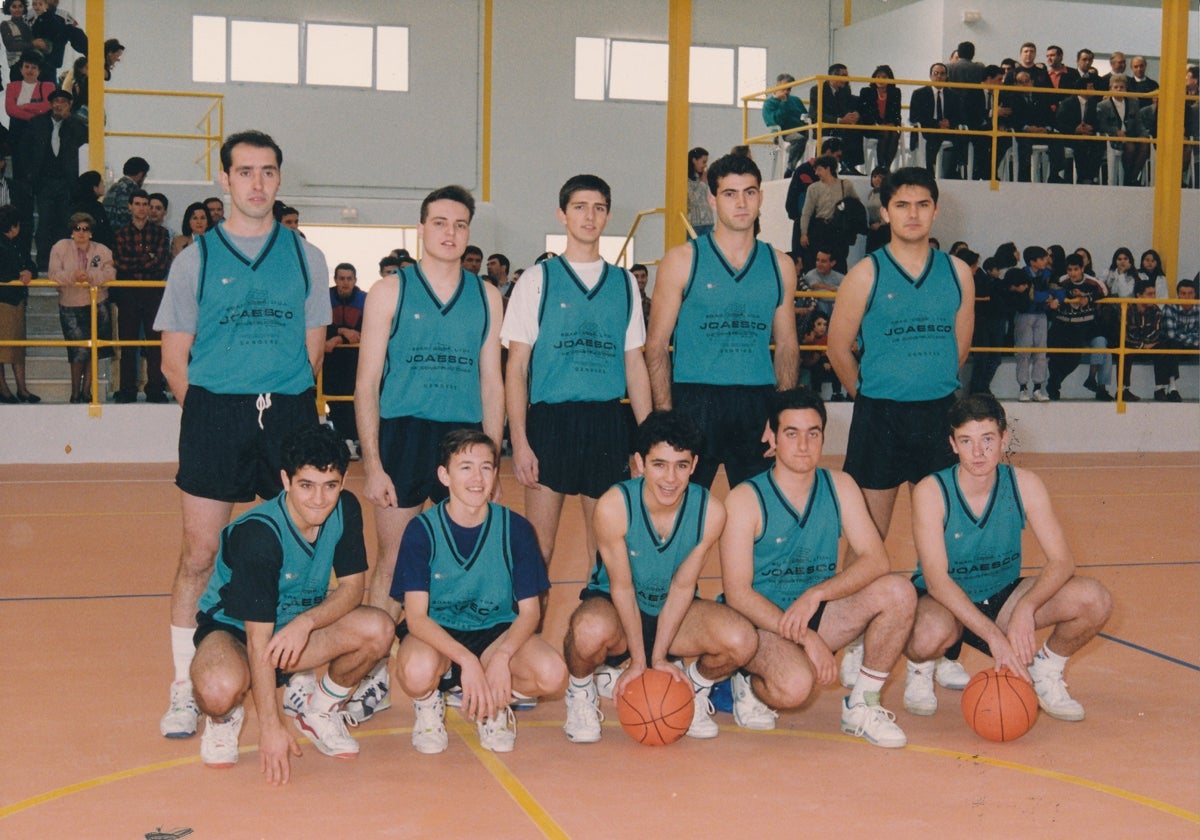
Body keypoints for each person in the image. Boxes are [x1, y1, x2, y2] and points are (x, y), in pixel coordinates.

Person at [152, 130, 332, 740]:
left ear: (280, 180)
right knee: (199, 554)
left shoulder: (307, 257)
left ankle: (295, 683)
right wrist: (211, 415)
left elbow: (312, 354)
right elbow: (174, 360)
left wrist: (281, 408)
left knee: (296, 556)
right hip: (215, 414)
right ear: (224, 181)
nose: (257, 184)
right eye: (245, 172)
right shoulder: (194, 260)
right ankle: (183, 685)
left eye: (268, 172)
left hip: (287, 412)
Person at [351, 184, 504, 723]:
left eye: (460, 225)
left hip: (462, 439)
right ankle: (367, 675)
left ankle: (455, 673)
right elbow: (366, 383)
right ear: (422, 228)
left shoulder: (486, 296)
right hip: (402, 434)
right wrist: (372, 463)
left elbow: (492, 382)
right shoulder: (389, 291)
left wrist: (492, 458)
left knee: (462, 561)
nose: (450, 233)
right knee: (393, 561)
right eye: (440, 223)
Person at [189, 424, 394, 778]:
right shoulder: (259, 535)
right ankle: (225, 718)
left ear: (343, 482)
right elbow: (258, 642)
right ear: (286, 481)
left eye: (330, 485)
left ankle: (320, 710)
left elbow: (351, 588)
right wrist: (271, 726)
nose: (319, 499)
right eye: (306, 485)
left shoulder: (345, 509)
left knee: (379, 628)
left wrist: (306, 623)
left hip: (295, 629)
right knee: (217, 689)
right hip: (237, 631)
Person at [720, 388, 915, 747]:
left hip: (815, 611)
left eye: (813, 433)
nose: (804, 444)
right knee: (795, 687)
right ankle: (746, 680)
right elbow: (737, 593)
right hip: (762, 622)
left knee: (899, 591)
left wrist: (817, 594)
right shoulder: (745, 498)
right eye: (791, 433)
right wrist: (807, 638)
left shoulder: (839, 485)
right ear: (772, 437)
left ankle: (862, 704)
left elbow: (876, 558)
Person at [903, 394, 1111, 720]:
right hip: (944, 600)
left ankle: (1046, 672)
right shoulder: (931, 491)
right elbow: (937, 581)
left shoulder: (1025, 485)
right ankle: (920, 668)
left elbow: (1061, 561)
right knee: (928, 633)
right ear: (953, 444)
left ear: (1004, 438)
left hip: (1002, 595)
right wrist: (994, 639)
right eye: (966, 441)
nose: (979, 452)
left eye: (987, 439)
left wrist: (1026, 608)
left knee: (1092, 598)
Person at [561, 411, 757, 743]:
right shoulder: (613, 507)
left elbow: (683, 586)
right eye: (659, 464)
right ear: (639, 463)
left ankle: (691, 690)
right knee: (587, 631)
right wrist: (640, 660)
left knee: (742, 640)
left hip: (672, 611)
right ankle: (580, 691)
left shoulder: (710, 511)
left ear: (694, 466)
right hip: (617, 610)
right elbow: (621, 586)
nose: (670, 478)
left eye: (681, 465)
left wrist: (660, 657)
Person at [503, 174, 651, 582]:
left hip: (606, 423)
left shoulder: (623, 283)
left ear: (607, 216)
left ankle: (600, 642)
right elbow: (516, 368)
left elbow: (635, 364)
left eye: (599, 208)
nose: (590, 216)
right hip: (550, 422)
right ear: (562, 214)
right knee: (539, 550)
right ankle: (525, 643)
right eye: (580, 207)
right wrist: (519, 440)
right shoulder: (537, 280)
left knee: (606, 551)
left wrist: (647, 436)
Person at [391, 430, 567, 754]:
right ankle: (430, 704)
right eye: (465, 467)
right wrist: (466, 660)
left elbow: (530, 612)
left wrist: (500, 657)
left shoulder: (516, 528)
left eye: (486, 467)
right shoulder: (422, 530)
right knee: (416, 672)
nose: (477, 478)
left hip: (495, 633)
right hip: (439, 633)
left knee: (552, 674)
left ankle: (492, 706)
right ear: (444, 475)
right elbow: (415, 617)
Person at [827, 165, 973, 546]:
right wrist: (872, 396)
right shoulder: (864, 274)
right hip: (879, 417)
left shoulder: (958, 273)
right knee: (867, 542)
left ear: (935, 210)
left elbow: (960, 346)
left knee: (946, 539)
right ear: (885, 212)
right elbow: (838, 348)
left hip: (940, 415)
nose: (913, 214)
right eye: (902, 205)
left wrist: (924, 380)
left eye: (922, 204)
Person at [645, 153, 798, 490]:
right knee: (680, 516)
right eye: (730, 193)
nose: (741, 203)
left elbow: (787, 346)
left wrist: (782, 417)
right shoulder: (682, 260)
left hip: (757, 401)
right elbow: (655, 346)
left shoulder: (780, 265)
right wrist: (667, 419)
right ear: (712, 200)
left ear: (761, 196)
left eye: (750, 192)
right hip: (694, 401)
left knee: (761, 515)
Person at [112, 189, 172, 403]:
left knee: (155, 343)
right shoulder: (120, 234)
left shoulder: (161, 234)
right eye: (137, 204)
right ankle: (127, 389)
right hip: (127, 293)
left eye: (145, 204)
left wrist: (139, 261)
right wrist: (148, 258)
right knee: (128, 343)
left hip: (153, 292)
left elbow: (162, 263)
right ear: (130, 206)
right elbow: (120, 264)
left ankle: (155, 389)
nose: (141, 208)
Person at [48, 211, 115, 403]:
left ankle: (87, 392)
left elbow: (110, 273)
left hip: (98, 304)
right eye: (77, 228)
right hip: (70, 306)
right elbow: (53, 274)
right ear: (71, 231)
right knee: (78, 353)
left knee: (95, 351)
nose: (81, 233)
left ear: (91, 232)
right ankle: (75, 393)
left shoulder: (102, 250)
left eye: (85, 229)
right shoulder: (60, 247)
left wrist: (92, 277)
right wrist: (73, 277)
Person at [28, 88, 86, 271]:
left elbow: (85, 138)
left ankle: (61, 263)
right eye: (56, 101)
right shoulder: (37, 123)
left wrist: (70, 118)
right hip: (44, 181)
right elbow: (26, 150)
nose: (59, 105)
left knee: (64, 223)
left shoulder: (74, 125)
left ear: (69, 106)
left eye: (64, 102)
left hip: (66, 183)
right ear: (51, 104)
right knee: (45, 222)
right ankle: (44, 262)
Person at [1046, 253, 1113, 401]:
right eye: (1069, 269)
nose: (1072, 273)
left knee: (1104, 348)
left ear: (1082, 268)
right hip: (1065, 325)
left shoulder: (1092, 282)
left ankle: (1099, 386)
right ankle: (1054, 384)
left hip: (1087, 325)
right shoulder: (1061, 281)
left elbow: (1105, 291)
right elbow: (1052, 292)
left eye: (1076, 269)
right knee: (1063, 357)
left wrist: (1087, 298)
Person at [1004, 245, 1055, 402]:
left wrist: (1055, 299)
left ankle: (1038, 388)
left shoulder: (1047, 274)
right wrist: (1046, 297)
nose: (1046, 260)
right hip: (1024, 315)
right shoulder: (1021, 274)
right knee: (1023, 351)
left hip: (1041, 314)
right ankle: (1023, 387)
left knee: (1041, 351)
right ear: (1033, 262)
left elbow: (1057, 290)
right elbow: (1027, 293)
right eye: (1042, 258)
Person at [323, 262, 365, 452]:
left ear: (355, 280)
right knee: (333, 402)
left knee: (355, 401)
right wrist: (341, 331)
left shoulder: (365, 300)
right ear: (335, 280)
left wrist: (339, 337)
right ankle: (342, 441)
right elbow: (319, 326)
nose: (345, 283)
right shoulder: (325, 298)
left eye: (349, 279)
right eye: (341, 278)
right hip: (330, 363)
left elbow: (363, 332)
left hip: (355, 362)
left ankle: (357, 440)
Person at [0, 203, 37, 402]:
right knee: (3, 347)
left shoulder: (15, 244)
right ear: (13, 226)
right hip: (3, 302)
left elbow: (31, 266)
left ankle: (22, 388)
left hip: (16, 301)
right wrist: (18, 273)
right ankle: (4, 389)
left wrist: (28, 272)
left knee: (17, 347)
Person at [798, 154, 858, 272]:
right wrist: (804, 233)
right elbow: (806, 212)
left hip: (838, 230)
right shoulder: (813, 188)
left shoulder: (845, 185)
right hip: (820, 228)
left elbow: (856, 205)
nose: (816, 173)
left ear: (828, 168)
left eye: (819, 169)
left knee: (839, 263)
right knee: (817, 264)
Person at [762, 74, 809, 177]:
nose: (787, 92)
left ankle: (810, 170)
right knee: (799, 139)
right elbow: (776, 121)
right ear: (777, 85)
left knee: (817, 139)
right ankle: (790, 168)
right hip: (783, 132)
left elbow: (805, 115)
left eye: (789, 89)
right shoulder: (769, 103)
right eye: (785, 88)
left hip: (802, 130)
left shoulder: (795, 100)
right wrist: (783, 102)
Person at [858, 65, 902, 172]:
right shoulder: (866, 91)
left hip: (888, 126)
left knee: (894, 134)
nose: (881, 80)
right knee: (886, 133)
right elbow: (865, 113)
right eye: (878, 76)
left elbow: (897, 113)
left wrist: (893, 123)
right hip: (871, 126)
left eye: (884, 77)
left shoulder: (895, 92)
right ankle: (882, 166)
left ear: (889, 79)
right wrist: (878, 125)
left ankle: (886, 167)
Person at [1, 1, 32, 83]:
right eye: (14, 7)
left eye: (20, 6)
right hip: (16, 68)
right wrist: (32, 44)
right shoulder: (5, 25)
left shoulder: (28, 24)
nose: (17, 9)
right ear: (9, 9)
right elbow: (11, 46)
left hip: (32, 67)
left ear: (24, 8)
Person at [686, 147, 713, 237]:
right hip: (695, 224)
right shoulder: (686, 180)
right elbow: (692, 199)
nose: (705, 165)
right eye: (703, 162)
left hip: (708, 222)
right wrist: (702, 183)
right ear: (694, 160)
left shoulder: (703, 177)